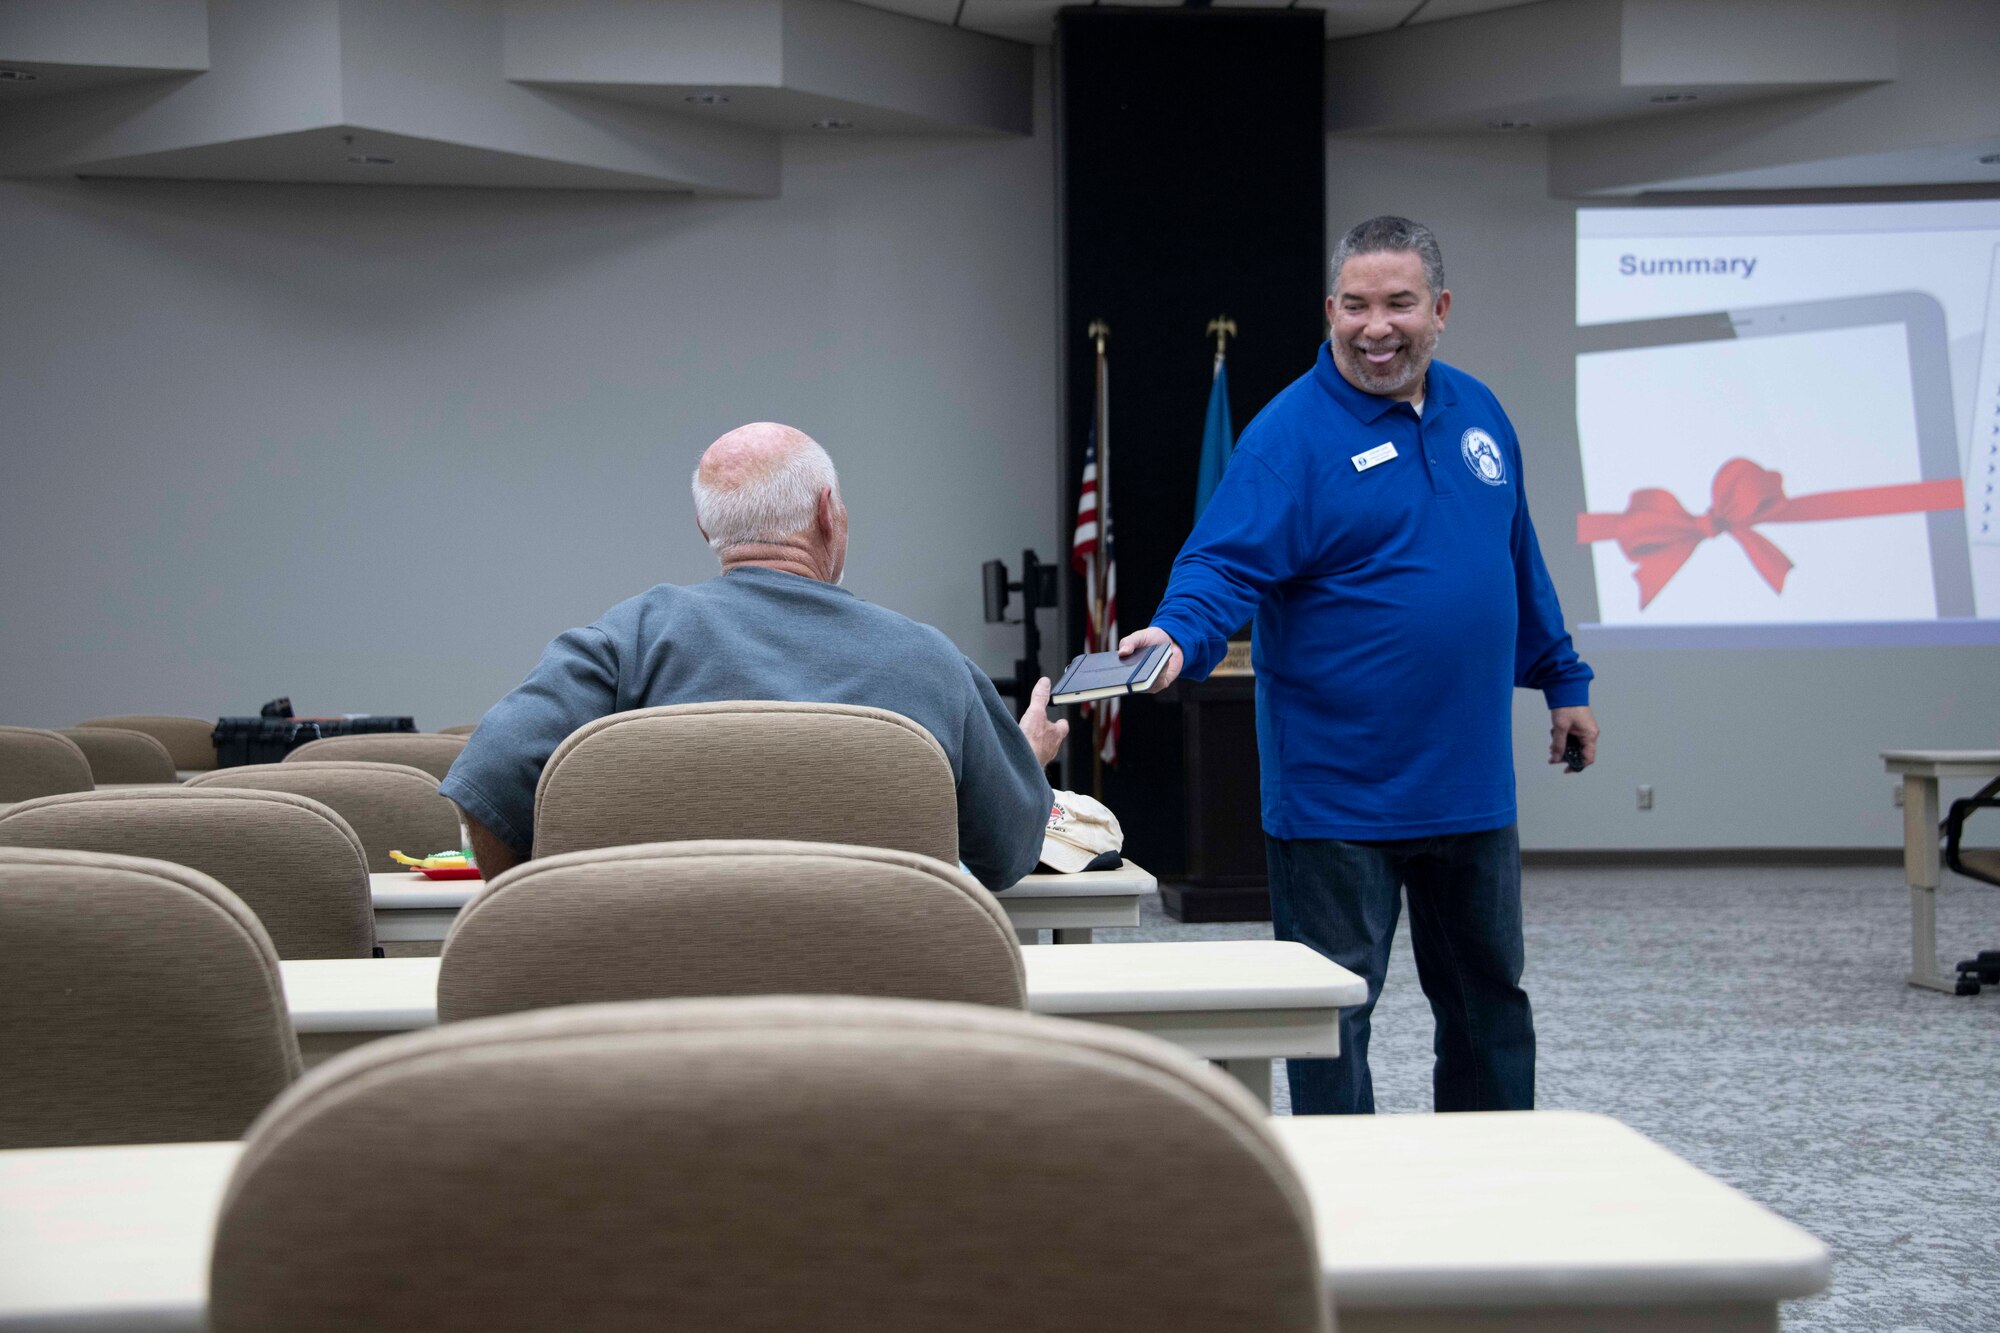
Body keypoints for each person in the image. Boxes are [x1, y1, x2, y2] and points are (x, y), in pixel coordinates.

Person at [1119, 216, 1598, 1116]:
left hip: (1470, 787)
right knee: (1332, 1019)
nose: (1376, 326)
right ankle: (1344, 1215)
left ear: (1441, 309)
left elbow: (1515, 557)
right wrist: (1178, 634)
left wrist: (1562, 680)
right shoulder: (1288, 436)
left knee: (1490, 1010)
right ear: (1330, 310)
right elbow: (1220, 563)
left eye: (1399, 303)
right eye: (1356, 305)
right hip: (1338, 800)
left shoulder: (1480, 411)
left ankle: (1496, 1192)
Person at [442, 421, 1065, 889]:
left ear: (707, 532)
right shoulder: (930, 660)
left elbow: (489, 782)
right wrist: (1024, 760)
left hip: (663, 1014)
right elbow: (1007, 856)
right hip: (878, 1015)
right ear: (829, 514)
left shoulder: (631, 637)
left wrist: (536, 912)